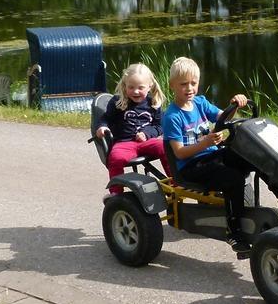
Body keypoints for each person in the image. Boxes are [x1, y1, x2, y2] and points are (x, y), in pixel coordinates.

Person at [161, 56, 261, 253]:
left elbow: (223, 116)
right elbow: (180, 154)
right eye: (183, 84)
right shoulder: (172, 116)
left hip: (211, 157)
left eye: (193, 83)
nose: (189, 88)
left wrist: (235, 103)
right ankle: (234, 232)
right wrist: (204, 143)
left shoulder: (200, 103)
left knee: (251, 155)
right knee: (233, 178)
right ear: (172, 85)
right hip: (190, 167)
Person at [95, 63, 168, 194]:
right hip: (124, 143)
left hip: (147, 142)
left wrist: (147, 133)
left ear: (149, 86)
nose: (135, 91)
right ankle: (116, 193)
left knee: (165, 146)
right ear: (125, 86)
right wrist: (102, 126)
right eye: (131, 87)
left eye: (140, 87)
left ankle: (174, 181)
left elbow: (159, 126)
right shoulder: (118, 102)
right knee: (116, 158)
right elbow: (105, 118)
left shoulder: (153, 103)